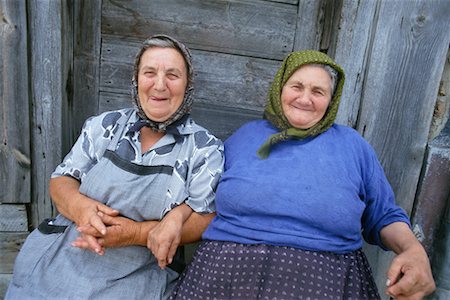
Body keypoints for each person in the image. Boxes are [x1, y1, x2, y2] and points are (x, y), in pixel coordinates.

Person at [167, 50, 435, 300]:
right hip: (224, 280)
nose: (305, 99)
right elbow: (200, 199)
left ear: (331, 100)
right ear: (280, 88)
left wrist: (413, 250)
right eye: (296, 86)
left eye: (318, 91)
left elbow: (384, 215)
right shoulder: (243, 138)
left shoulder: (353, 147)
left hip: (325, 284)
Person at [5, 34, 224, 299]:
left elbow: (204, 218)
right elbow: (61, 179)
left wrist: (136, 234)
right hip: (68, 252)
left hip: (141, 270)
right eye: (150, 72)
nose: (159, 85)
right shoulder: (105, 125)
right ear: (136, 79)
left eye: (173, 75)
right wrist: (81, 208)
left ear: (188, 84)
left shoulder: (204, 146)